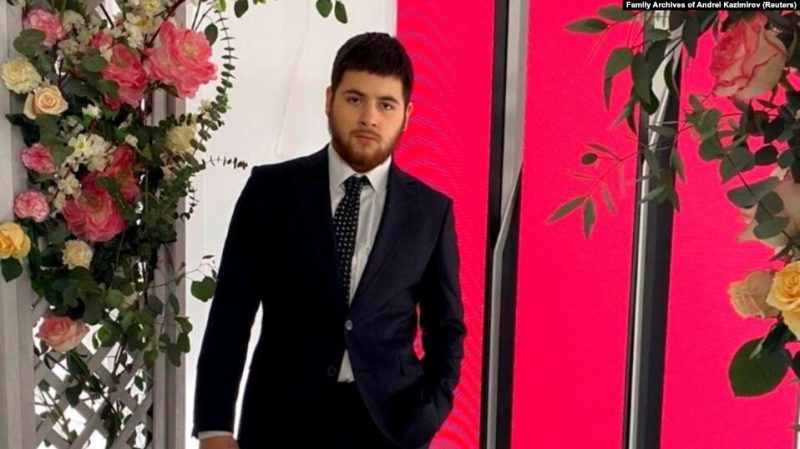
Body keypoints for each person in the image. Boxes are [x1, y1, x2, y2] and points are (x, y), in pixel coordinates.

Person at [193, 32, 466, 449]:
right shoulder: (271, 192)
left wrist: (428, 413)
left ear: (407, 115)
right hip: (280, 424)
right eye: (355, 99)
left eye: (386, 104)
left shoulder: (430, 212)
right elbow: (231, 314)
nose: (369, 117)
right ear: (329, 99)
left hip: (389, 429)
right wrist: (214, 428)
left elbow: (445, 328)